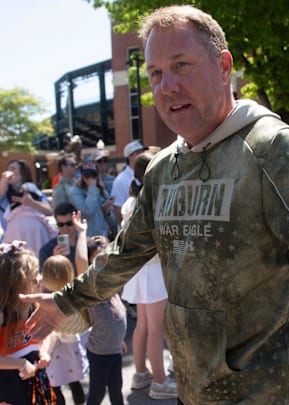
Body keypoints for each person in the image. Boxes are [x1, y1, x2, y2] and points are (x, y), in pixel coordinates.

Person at [21, 6, 289, 404]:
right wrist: (67, 300)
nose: (167, 86)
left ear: (223, 66)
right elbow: (123, 255)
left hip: (261, 395)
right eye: (155, 74)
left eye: (182, 66)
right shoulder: (163, 169)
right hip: (192, 391)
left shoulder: (272, 149)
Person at [120, 151, 176, 400]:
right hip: (153, 270)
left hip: (140, 269)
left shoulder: (133, 200)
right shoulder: (152, 199)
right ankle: (160, 382)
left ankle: (141, 373)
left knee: (143, 326)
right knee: (155, 330)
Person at [0, 242, 57, 404]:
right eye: (34, 275)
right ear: (16, 282)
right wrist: (19, 364)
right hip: (8, 388)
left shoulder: (34, 305)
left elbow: (50, 333)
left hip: (34, 382)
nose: (39, 279)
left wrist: (44, 351)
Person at [84, 236, 127, 405]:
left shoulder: (113, 289)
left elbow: (116, 319)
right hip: (100, 354)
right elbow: (81, 264)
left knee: (117, 390)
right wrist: (81, 235)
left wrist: (120, 339)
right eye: (99, 260)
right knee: (97, 392)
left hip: (115, 350)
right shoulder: (93, 289)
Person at [40, 255, 87, 405]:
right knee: (74, 382)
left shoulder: (45, 299)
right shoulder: (73, 296)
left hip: (53, 352)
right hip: (70, 349)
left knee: (55, 384)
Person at [0, 159, 55, 255]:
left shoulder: (34, 191)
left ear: (22, 173)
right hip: (14, 235)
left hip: (36, 237)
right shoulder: (5, 194)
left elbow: (49, 211)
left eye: (13, 168)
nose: (9, 171)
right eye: (8, 169)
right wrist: (3, 179)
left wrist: (31, 203)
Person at [70, 158, 116, 238]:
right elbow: (88, 210)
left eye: (93, 175)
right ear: (82, 177)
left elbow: (113, 222)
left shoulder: (101, 191)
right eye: (87, 176)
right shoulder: (75, 192)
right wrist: (92, 188)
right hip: (87, 238)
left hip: (103, 237)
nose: (91, 179)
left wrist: (107, 211)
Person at [110, 140, 146, 230]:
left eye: (142, 152)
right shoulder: (120, 180)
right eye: (138, 152)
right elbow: (117, 208)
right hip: (129, 231)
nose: (142, 154)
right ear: (129, 156)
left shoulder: (146, 175)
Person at [39, 203, 85, 273]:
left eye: (69, 223)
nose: (65, 228)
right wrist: (54, 261)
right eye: (61, 224)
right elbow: (44, 278)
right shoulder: (46, 250)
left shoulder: (86, 245)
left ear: (76, 222)